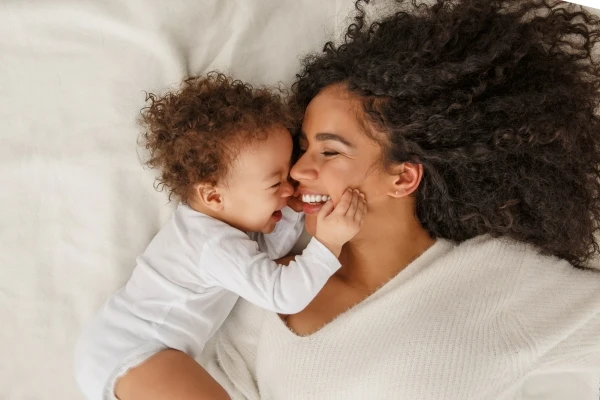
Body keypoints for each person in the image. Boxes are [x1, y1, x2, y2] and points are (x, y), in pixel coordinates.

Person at [111, 0, 600, 399]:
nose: (300, 171)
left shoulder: (497, 278)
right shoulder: (267, 272)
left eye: (329, 150)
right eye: (302, 148)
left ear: (403, 177)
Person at [73, 72, 366, 400]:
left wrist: (292, 210)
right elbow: (281, 292)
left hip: (124, 347)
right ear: (213, 196)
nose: (290, 188)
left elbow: (264, 257)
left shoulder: (216, 226)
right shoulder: (212, 244)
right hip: (135, 350)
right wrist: (328, 244)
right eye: (276, 183)